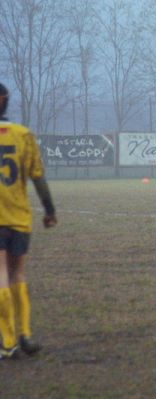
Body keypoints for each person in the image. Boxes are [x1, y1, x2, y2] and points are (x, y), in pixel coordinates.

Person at [0, 83, 57, 359]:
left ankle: (8, 341)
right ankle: (25, 333)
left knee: (0, 275)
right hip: (19, 216)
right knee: (17, 274)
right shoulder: (23, 135)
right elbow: (38, 177)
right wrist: (49, 210)